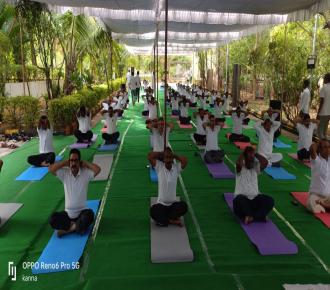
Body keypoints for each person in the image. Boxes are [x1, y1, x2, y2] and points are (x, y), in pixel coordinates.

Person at [49, 148, 101, 237]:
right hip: (67, 216)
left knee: (90, 215)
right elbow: (51, 169)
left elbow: (97, 169)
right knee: (53, 219)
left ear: (79, 161)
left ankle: (69, 230)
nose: (73, 163)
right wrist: (65, 162)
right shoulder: (64, 173)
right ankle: (77, 227)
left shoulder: (86, 173)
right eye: (71, 160)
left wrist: (86, 163)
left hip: (81, 214)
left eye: (76, 160)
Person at [233, 146, 274, 224]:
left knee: (270, 200)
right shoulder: (240, 168)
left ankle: (251, 217)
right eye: (249, 159)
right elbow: (238, 163)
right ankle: (258, 216)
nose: (251, 161)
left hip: (254, 200)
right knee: (239, 200)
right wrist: (245, 153)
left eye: (252, 160)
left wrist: (255, 154)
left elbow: (265, 162)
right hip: (242, 200)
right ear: (245, 159)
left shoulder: (255, 168)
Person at [148, 148, 188, 227]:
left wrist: (173, 155)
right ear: (163, 158)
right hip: (161, 205)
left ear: (172, 158)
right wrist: (162, 153)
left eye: (170, 157)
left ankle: (166, 220)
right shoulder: (159, 167)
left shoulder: (176, 168)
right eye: (166, 157)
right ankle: (172, 221)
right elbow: (150, 156)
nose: (168, 159)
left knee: (184, 206)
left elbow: (185, 161)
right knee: (153, 211)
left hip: (173, 205)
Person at [307, 140, 330, 213]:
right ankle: (323, 205)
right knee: (310, 205)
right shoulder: (316, 160)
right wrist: (319, 143)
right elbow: (312, 148)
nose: (328, 149)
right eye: (325, 147)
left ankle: (323, 204)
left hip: (328, 197)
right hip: (316, 196)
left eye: (329, 147)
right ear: (319, 149)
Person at [317, 73, 330, 139]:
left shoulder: (324, 88)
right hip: (329, 113)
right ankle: (326, 147)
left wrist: (318, 112)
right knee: (324, 131)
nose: (323, 79)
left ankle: (322, 147)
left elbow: (322, 102)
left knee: (320, 131)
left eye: (324, 78)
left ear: (327, 79)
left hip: (323, 112)